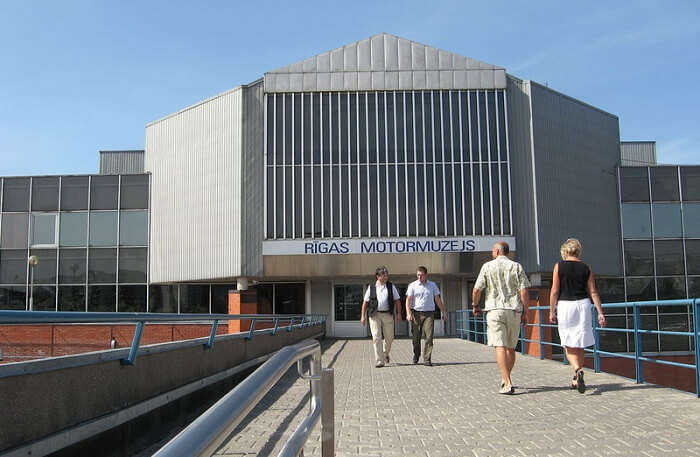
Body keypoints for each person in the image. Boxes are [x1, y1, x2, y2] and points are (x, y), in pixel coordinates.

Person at [549, 238, 606, 393]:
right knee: (580, 342)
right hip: (583, 305)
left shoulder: (559, 266)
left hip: (566, 305)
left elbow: (555, 290)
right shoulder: (586, 267)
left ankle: (577, 370)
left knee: (568, 341)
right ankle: (576, 378)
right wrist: (600, 313)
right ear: (578, 251)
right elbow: (593, 291)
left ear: (565, 251)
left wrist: (551, 310)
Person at [472, 242, 530, 394]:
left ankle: (507, 382)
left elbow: (477, 289)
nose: (492, 252)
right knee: (511, 348)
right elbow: (524, 291)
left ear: (497, 251)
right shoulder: (517, 266)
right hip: (514, 309)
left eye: (493, 250)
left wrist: (475, 305)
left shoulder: (487, 266)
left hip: (494, 309)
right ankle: (506, 379)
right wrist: (526, 311)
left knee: (500, 345)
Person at [361, 266, 402, 368]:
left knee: (390, 337)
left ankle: (385, 353)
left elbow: (397, 301)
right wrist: (363, 316)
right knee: (376, 337)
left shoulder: (391, 286)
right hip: (374, 315)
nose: (385, 278)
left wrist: (399, 314)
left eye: (386, 276)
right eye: (383, 276)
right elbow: (365, 303)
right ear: (377, 276)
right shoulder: (371, 287)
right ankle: (379, 361)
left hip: (388, 314)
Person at [406, 266, 446, 367]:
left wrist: (443, 311)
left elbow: (437, 299)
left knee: (429, 337)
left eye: (421, 275)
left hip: (429, 314)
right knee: (416, 338)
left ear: (426, 275)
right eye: (418, 275)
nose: (419, 277)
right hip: (416, 314)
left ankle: (427, 359)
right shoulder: (413, 285)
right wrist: (408, 313)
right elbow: (408, 300)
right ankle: (416, 354)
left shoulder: (432, 285)